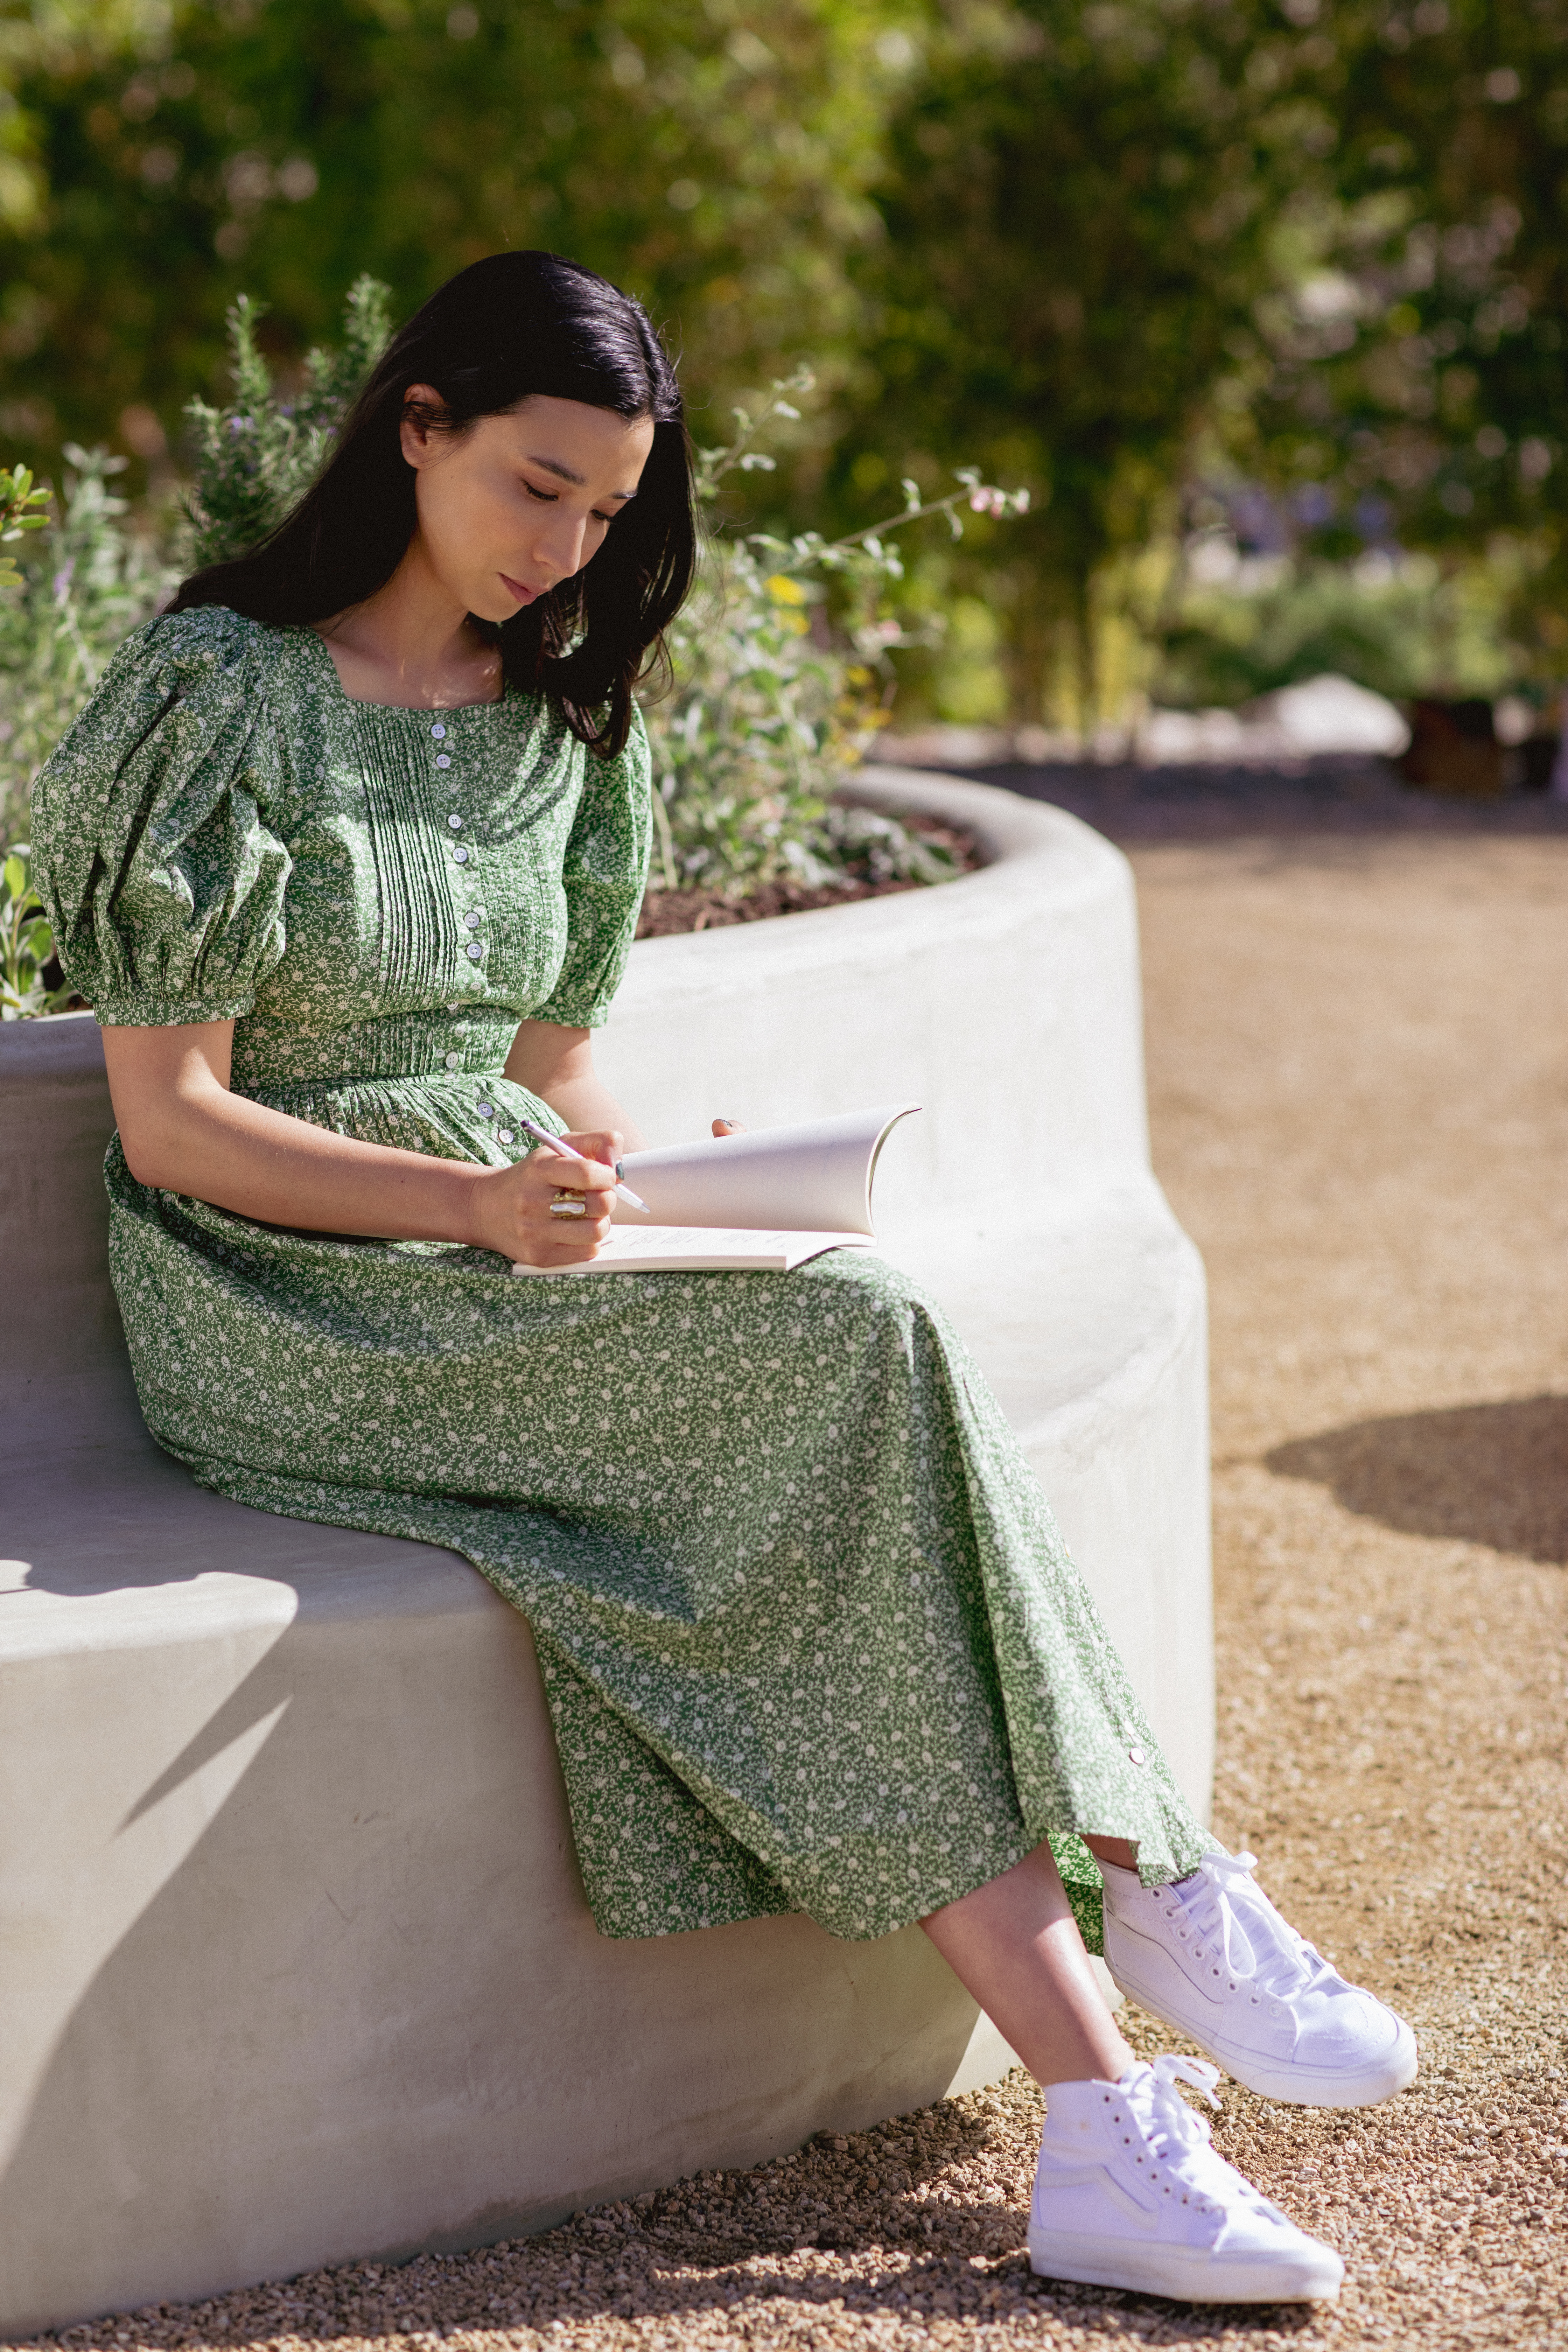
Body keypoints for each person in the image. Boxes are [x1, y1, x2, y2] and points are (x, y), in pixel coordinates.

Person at [32, 251, 1414, 2308]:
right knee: (856, 1358)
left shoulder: (560, 729)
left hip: (493, 1247)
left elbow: (553, 1068)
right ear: (416, 426)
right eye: (534, 484)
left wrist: (623, 1176)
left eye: (605, 510)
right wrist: (479, 1215)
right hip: (284, 1296)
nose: (564, 545)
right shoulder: (219, 695)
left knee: (865, 1322)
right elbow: (174, 1126)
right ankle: (1156, 1884)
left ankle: (1117, 2087)